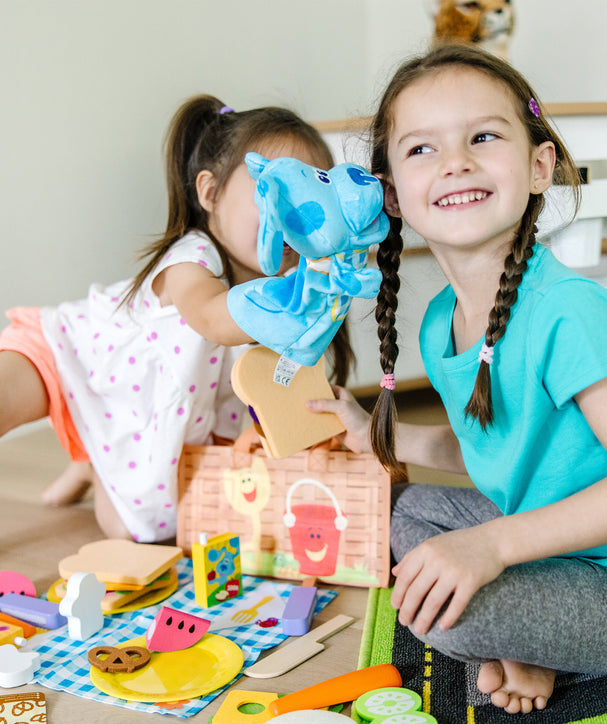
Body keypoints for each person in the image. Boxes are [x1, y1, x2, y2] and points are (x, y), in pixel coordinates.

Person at [308, 44, 607, 714]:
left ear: (538, 167)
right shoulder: (442, 320)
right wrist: (384, 440)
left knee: (443, 612)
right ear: (390, 193)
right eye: (421, 150)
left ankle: (537, 646)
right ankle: (535, 636)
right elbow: (502, 452)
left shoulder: (569, 312)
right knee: (400, 517)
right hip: (559, 546)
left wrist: (491, 545)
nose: (455, 162)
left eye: (482, 136)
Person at [0, 95, 353, 542]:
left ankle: (92, 463)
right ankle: (87, 460)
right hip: (72, 349)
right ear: (210, 193)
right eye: (272, 196)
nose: (290, 220)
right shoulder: (193, 258)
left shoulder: (295, 277)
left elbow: (269, 385)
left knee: (134, 531)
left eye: (307, 203)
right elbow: (211, 317)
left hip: (137, 405)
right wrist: (295, 308)